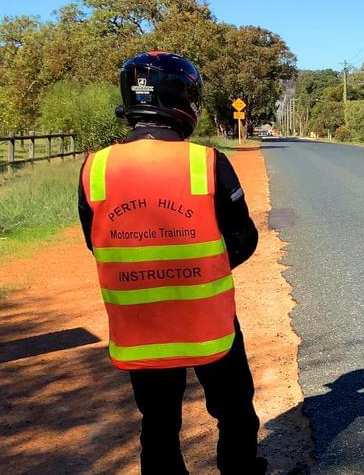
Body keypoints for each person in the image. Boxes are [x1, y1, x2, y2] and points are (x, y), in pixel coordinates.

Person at [77, 51, 265, 475]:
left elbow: (97, 241)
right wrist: (199, 267)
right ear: (183, 99)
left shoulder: (96, 167)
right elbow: (243, 238)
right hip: (209, 325)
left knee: (158, 424)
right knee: (234, 413)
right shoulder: (206, 161)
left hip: (140, 327)